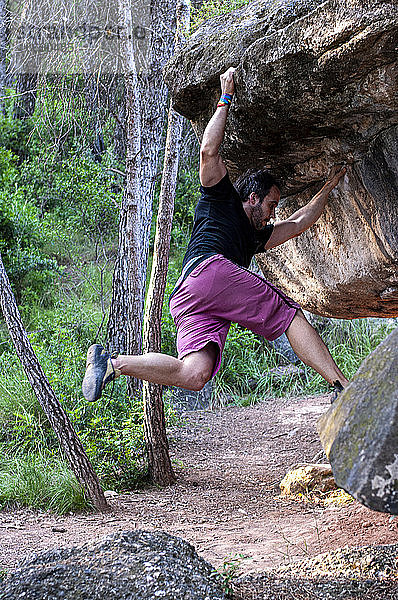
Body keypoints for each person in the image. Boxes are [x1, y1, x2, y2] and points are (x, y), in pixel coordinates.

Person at [82, 67, 348, 403]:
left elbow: (298, 223)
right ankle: (342, 385)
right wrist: (225, 97)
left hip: (188, 295)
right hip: (210, 270)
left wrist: (329, 187)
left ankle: (112, 364)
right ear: (252, 197)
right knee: (287, 313)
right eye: (271, 204)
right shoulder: (221, 198)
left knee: (194, 374)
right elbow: (209, 150)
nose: (273, 213)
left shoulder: (254, 237)